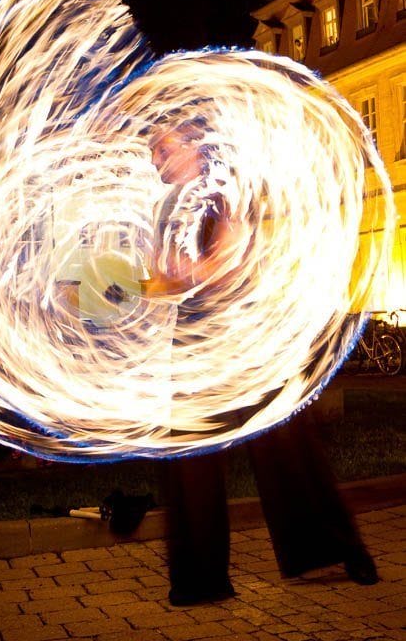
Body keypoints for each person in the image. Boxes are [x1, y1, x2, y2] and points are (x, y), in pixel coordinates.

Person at [144, 118, 378, 607]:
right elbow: (163, 278)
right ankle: (198, 578)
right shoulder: (167, 208)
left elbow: (228, 259)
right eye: (152, 149)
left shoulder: (223, 193)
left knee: (285, 448)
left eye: (162, 146)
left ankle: (335, 546)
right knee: (190, 460)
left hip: (245, 340)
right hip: (193, 346)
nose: (155, 158)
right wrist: (130, 287)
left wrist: (190, 271)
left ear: (192, 146)